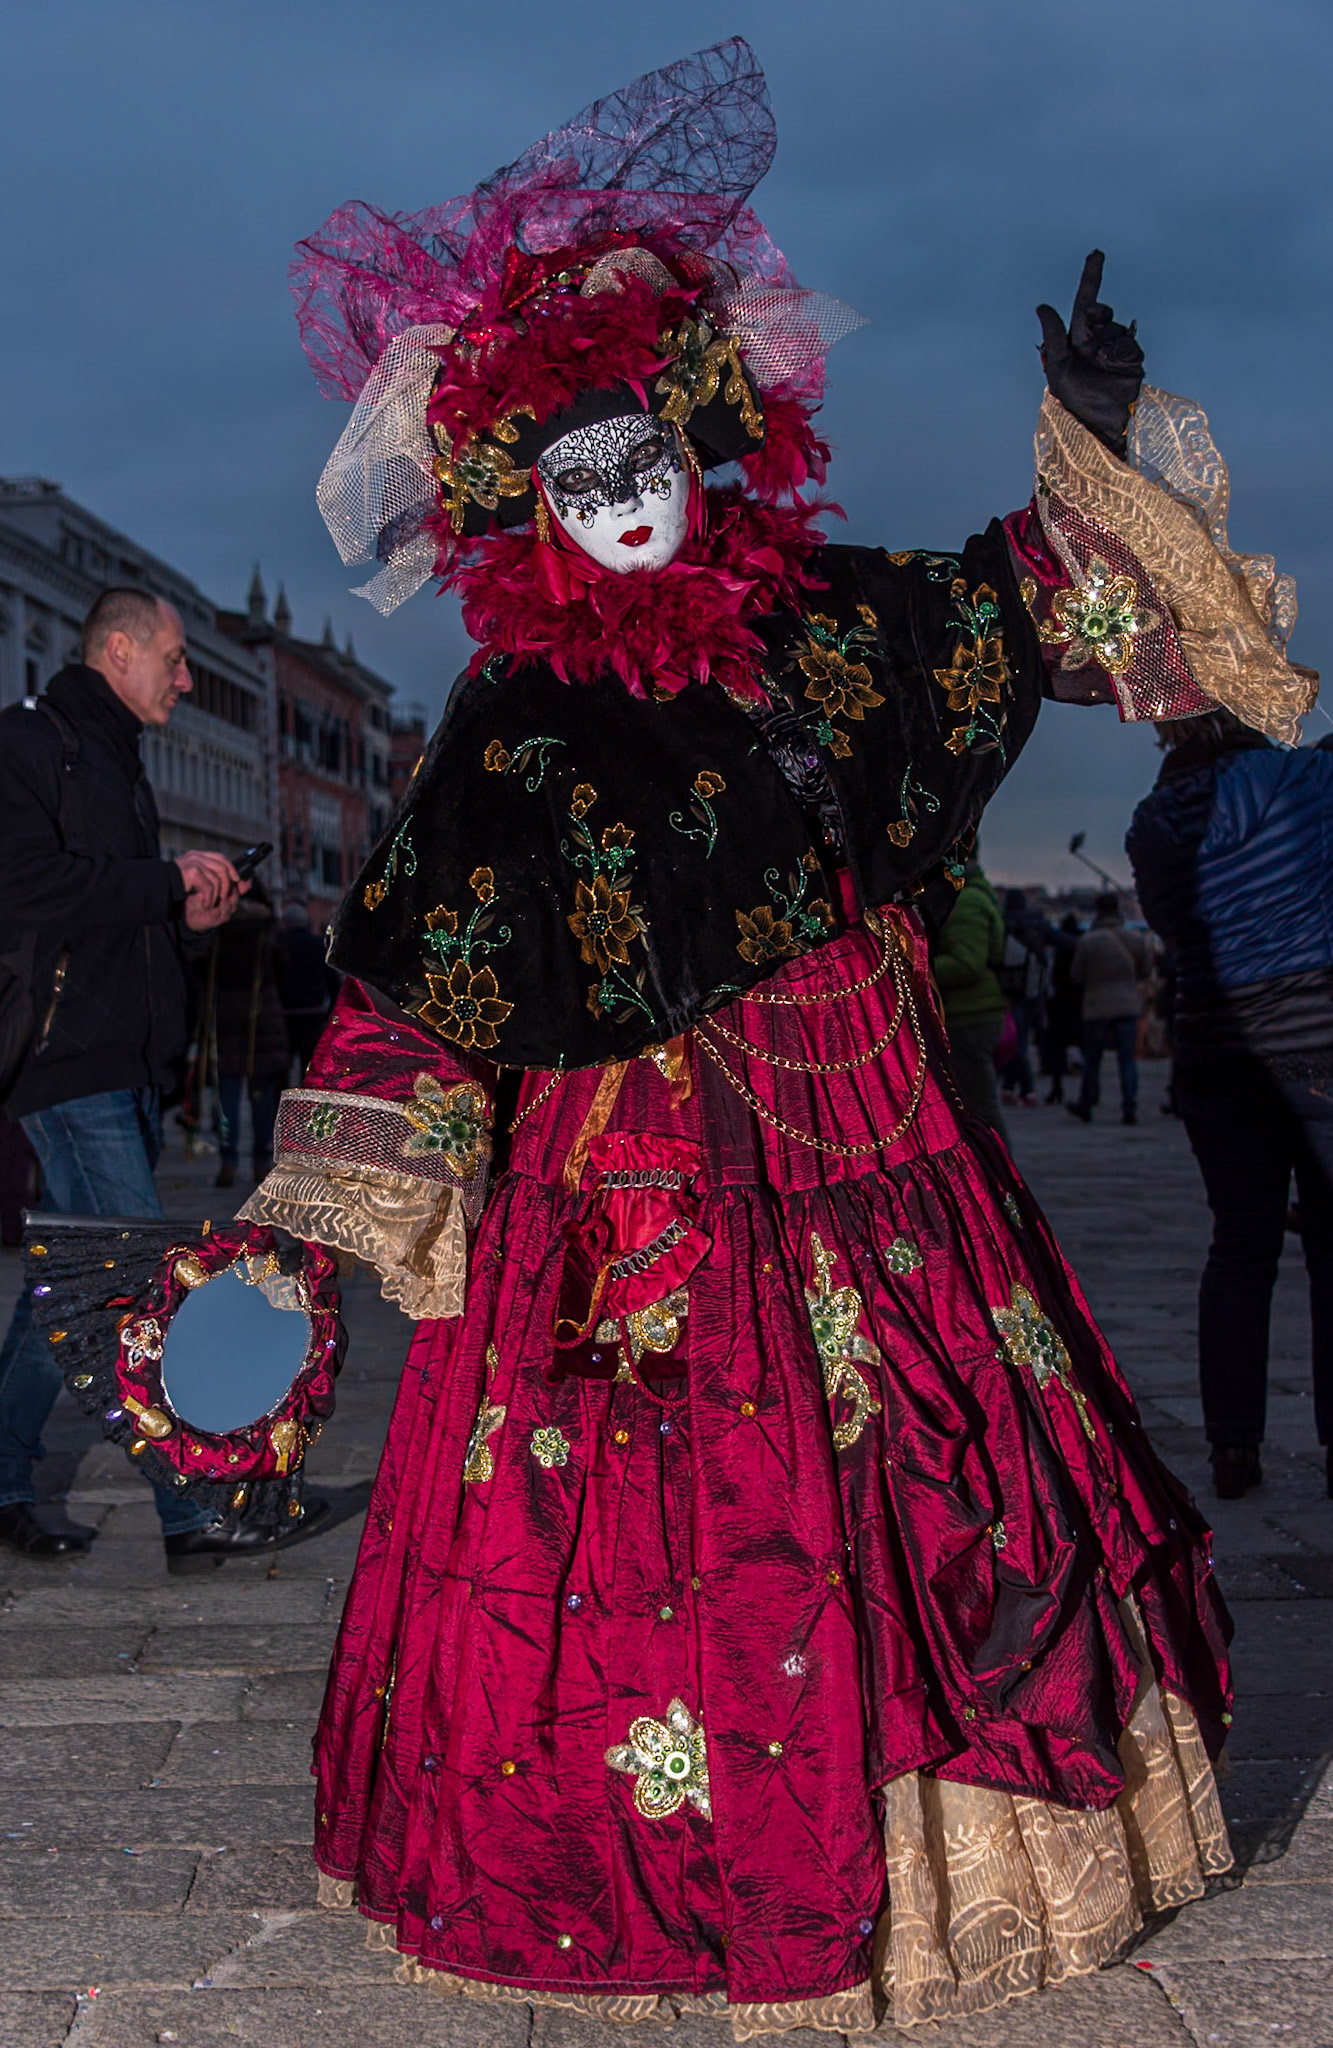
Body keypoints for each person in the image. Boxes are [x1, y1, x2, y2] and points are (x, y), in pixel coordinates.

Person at [239, 41, 1315, 2033]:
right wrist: (334, 1201)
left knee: (944, 1479)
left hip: (874, 1131)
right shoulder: (514, 720)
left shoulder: (825, 623)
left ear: (700, 450)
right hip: (624, 1197)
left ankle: (959, 1865)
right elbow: (437, 960)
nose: (626, 500)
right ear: (525, 500)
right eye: (582, 478)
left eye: (647, 458)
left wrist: (1085, 437)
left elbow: (1027, 605)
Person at [0, 588, 327, 1570]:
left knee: (67, 1292)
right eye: (175, 659)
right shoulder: (30, 744)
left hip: (124, 1061)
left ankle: (4, 1479)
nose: (185, 679)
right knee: (147, 1280)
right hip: (67, 1062)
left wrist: (186, 920)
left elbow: (112, 925)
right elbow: (25, 886)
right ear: (119, 649)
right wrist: (164, 880)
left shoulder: (116, 758)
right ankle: (197, 1510)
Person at [1127, 709, 1333, 1501]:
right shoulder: (1306, 782)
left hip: (1215, 1048)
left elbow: (1169, 926)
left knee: (1240, 1248)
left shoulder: (1153, 819)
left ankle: (1232, 1447)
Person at [210, 880, 290, 1189]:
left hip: (226, 1017)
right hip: (262, 1018)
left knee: (228, 1095)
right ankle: (260, 1159)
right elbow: (284, 967)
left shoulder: (220, 928)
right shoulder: (267, 930)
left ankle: (228, 1159)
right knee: (261, 1097)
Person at [931, 859, 1008, 1130]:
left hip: (970, 1014)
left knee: (978, 1107)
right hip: (973, 1011)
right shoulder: (975, 894)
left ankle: (996, 1158)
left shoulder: (964, 900)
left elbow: (967, 964)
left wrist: (917, 968)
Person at [1067, 894, 1150, 1124]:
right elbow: (1145, 971)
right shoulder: (1135, 938)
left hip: (1097, 1006)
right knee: (1127, 1060)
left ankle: (1087, 1103)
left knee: (1093, 1060)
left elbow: (1076, 975)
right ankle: (1129, 1107)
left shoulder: (1088, 940)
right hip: (1128, 1004)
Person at [277, 900, 338, 1078]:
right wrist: (331, 1009)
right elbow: (332, 980)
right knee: (309, 1064)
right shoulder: (317, 945)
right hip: (313, 1011)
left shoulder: (279, 945)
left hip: (284, 1011)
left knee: (283, 1066)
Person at [997, 886, 1045, 1106]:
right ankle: (1018, 1088)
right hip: (1031, 992)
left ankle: (1021, 1089)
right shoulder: (1033, 925)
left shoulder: (1003, 925)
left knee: (1014, 1041)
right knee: (1021, 1041)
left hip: (1008, 992)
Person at [1041, 911, 1084, 1104]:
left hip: (1060, 1003)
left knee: (1057, 1048)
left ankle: (1057, 1088)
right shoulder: (1082, 946)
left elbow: (1053, 978)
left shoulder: (1059, 950)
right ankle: (1087, 1092)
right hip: (1080, 1003)